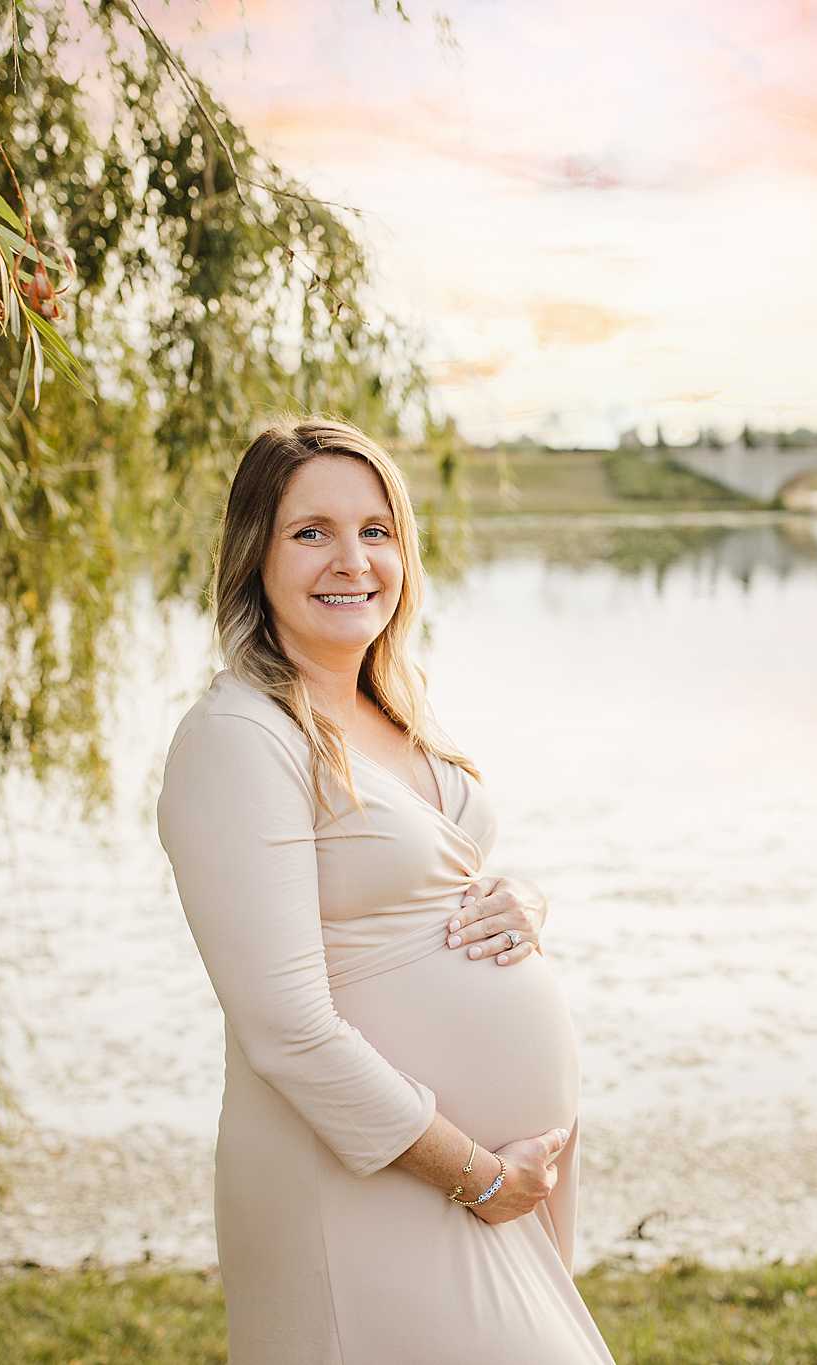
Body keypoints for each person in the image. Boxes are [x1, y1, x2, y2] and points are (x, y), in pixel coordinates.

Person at [156, 418, 615, 1363]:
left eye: (376, 530)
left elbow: (424, 874)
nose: (352, 560)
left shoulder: (393, 705)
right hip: (371, 1180)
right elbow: (288, 1028)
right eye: (311, 531)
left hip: (484, 1181)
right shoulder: (240, 736)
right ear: (255, 554)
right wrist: (477, 1175)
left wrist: (518, 901)